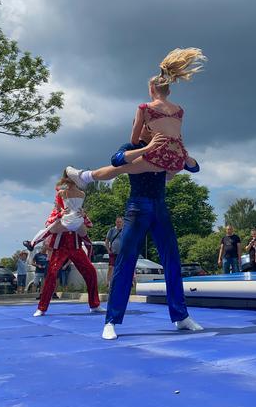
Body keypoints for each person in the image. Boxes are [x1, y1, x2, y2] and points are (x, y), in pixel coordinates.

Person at [68, 139, 204, 340]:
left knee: (172, 261)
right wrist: (148, 149)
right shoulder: (133, 146)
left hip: (160, 206)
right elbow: (116, 159)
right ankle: (111, 321)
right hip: (137, 207)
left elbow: (194, 168)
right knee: (125, 262)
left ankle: (181, 316)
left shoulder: (167, 147)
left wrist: (183, 154)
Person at [65, 48, 206, 184]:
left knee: (120, 169)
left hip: (160, 156)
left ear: (151, 89)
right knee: (159, 171)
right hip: (178, 157)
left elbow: (134, 140)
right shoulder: (179, 110)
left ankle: (84, 177)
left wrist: (146, 145)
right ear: (169, 92)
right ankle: (166, 176)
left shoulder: (145, 108)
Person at [33, 233, 103, 317]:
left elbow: (85, 229)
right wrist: (34, 242)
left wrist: (89, 253)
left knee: (91, 272)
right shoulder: (55, 219)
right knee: (51, 274)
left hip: (76, 248)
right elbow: (48, 229)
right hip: (60, 249)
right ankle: (41, 308)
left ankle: (94, 304)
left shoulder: (81, 219)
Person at [23, 171, 92, 253]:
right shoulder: (82, 194)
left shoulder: (62, 192)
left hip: (68, 220)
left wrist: (62, 211)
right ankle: (91, 253)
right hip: (78, 220)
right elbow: (79, 207)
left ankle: (32, 244)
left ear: (66, 181)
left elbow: (58, 208)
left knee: (48, 231)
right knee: (86, 239)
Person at [105, 217, 124, 289]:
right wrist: (108, 250)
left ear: (122, 223)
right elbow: (106, 241)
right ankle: (108, 282)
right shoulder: (112, 230)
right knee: (111, 267)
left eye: (120, 222)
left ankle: (121, 283)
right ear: (115, 222)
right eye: (117, 222)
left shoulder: (124, 231)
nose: (119, 223)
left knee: (121, 268)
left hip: (121, 253)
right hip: (113, 252)